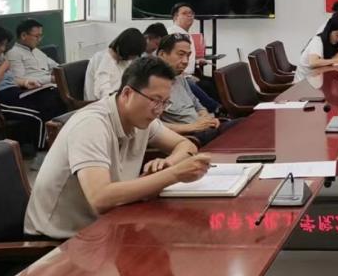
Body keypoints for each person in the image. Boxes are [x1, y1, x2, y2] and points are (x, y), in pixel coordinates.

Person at [25, 57, 211, 239]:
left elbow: (185, 145)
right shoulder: (92, 125)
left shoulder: (142, 118)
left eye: (165, 102)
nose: (159, 110)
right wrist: (174, 174)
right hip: (60, 240)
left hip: (109, 224)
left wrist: (168, 163)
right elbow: (100, 198)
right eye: (155, 100)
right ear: (127, 93)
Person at [0, 27, 66, 155]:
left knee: (47, 105)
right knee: (36, 116)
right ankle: (43, 150)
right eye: (0, 45)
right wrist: (4, 66)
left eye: (4, 45)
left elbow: (11, 80)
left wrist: (26, 83)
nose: (3, 49)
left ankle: (56, 142)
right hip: (0, 98)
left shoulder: (0, 57)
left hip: (15, 91)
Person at [155, 34, 224, 147]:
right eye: (181, 54)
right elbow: (152, 127)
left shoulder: (179, 77)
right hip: (189, 137)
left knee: (242, 125)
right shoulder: (150, 85)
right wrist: (192, 127)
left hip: (203, 129)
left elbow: (198, 105)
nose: (185, 61)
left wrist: (206, 118)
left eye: (188, 55)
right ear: (162, 54)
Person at [85, 28, 147, 101]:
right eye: (134, 55)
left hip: (116, 100)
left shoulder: (122, 61)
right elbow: (105, 95)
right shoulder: (102, 60)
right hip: (100, 103)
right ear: (127, 50)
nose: (135, 58)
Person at [295, 15, 338, 82]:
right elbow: (313, 62)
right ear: (329, 31)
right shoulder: (317, 40)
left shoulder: (331, 43)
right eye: (337, 35)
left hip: (315, 79)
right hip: (303, 82)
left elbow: (328, 59)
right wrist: (336, 60)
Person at [5, 18, 59, 85]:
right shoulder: (13, 53)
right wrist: (50, 79)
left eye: (41, 36)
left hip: (51, 84)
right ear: (23, 35)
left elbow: (56, 67)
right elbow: (19, 80)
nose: (39, 40)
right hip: (37, 88)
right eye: (37, 36)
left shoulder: (36, 51)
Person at [168, 3, 198, 76]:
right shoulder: (172, 34)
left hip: (188, 76)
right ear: (175, 17)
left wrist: (196, 61)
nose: (190, 15)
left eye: (191, 13)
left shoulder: (186, 34)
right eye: (184, 13)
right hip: (179, 77)